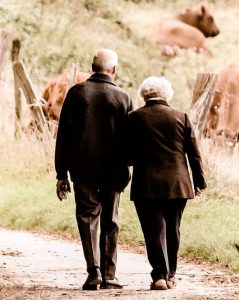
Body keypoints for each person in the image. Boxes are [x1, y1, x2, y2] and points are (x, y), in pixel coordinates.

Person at [55, 48, 133, 290]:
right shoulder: (123, 97)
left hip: (83, 168)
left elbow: (64, 136)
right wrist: (128, 164)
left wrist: (61, 173)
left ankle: (94, 271)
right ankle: (110, 275)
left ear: (92, 66)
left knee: (87, 217)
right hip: (114, 170)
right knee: (111, 219)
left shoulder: (77, 93)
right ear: (114, 70)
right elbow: (130, 139)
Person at [126, 76, 207, 290]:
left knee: (153, 231)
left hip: (146, 184)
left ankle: (159, 276)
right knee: (173, 228)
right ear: (166, 94)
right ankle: (171, 274)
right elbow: (194, 154)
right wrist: (199, 181)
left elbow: (127, 154)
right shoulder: (181, 117)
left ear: (144, 94)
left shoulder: (134, 118)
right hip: (178, 183)